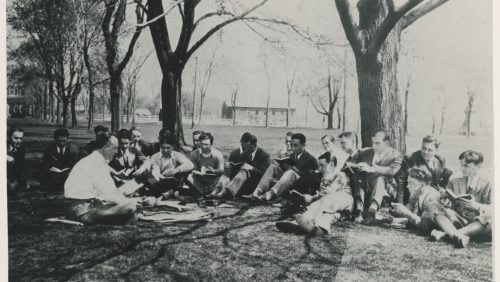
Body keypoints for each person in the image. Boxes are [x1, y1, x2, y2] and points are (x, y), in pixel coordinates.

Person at [64, 132, 137, 225]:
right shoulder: (97, 164)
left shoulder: (91, 159)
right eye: (115, 148)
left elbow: (103, 192)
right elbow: (109, 194)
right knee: (130, 207)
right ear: (106, 147)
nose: (116, 152)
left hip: (76, 207)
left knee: (127, 208)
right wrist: (129, 201)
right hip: (82, 211)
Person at [277, 152, 353, 235]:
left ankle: (309, 221)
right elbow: (323, 194)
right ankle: (320, 228)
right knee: (326, 212)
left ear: (331, 165)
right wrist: (312, 197)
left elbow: (329, 193)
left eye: (322, 165)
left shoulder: (339, 175)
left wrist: (312, 198)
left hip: (344, 198)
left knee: (322, 202)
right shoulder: (325, 177)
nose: (320, 168)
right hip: (334, 203)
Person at [429, 150, 492, 248]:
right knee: (433, 205)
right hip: (460, 218)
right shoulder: (454, 178)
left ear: (478, 166)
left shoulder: (490, 181)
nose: (462, 168)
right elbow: (450, 205)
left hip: (480, 223)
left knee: (492, 217)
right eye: (461, 165)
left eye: (466, 166)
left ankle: (449, 235)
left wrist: (477, 206)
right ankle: (457, 236)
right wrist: (444, 198)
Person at [347, 131, 403, 225]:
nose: (374, 146)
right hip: (366, 187)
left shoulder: (396, 155)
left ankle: (371, 212)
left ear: (387, 143)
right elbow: (349, 163)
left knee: (381, 178)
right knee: (358, 176)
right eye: (372, 142)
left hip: (386, 190)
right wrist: (357, 166)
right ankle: (359, 211)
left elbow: (391, 171)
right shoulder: (365, 152)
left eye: (377, 143)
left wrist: (372, 169)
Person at [253, 133, 318, 202]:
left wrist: (294, 169)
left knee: (290, 173)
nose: (292, 148)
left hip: (300, 184)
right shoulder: (292, 155)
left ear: (303, 145)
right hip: (287, 179)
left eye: (296, 146)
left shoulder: (311, 159)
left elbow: (310, 177)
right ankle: (258, 190)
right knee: (273, 167)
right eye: (291, 145)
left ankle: (269, 195)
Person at [213, 133, 271, 199]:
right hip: (242, 183)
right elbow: (237, 169)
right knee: (229, 168)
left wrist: (252, 168)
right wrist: (230, 166)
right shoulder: (244, 154)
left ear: (252, 145)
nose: (244, 148)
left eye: (246, 146)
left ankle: (227, 192)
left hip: (255, 185)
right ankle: (218, 190)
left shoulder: (264, 156)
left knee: (244, 172)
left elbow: (265, 175)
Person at [391, 166, 447, 234]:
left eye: (411, 183)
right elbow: (416, 216)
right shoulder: (418, 194)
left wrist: (406, 212)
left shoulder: (431, 197)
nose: (407, 186)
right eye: (408, 183)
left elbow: (425, 225)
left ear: (422, 184)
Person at [7, 127, 26, 192]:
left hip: (12, 177)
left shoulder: (21, 149)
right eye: (16, 138)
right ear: (9, 137)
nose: (18, 141)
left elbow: (21, 167)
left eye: (21, 139)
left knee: (13, 187)